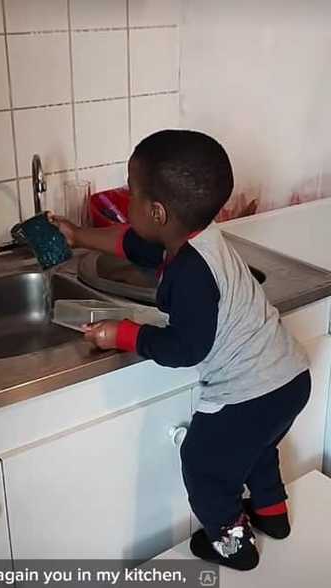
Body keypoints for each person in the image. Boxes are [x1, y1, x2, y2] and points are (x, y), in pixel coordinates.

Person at [52, 129, 310, 571]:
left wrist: (124, 334)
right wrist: (77, 235)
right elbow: (129, 243)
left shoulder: (191, 273)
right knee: (257, 448)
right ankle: (272, 514)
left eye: (131, 193)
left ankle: (235, 546)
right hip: (288, 377)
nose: (125, 203)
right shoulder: (194, 239)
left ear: (157, 211)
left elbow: (186, 348)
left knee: (205, 465)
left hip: (248, 391)